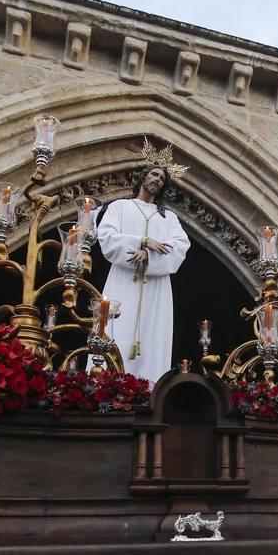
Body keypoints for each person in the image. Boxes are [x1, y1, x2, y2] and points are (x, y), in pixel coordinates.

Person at [94, 156, 191, 385]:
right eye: (154, 174)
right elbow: (106, 237)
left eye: (162, 178)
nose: (157, 179)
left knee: (152, 336)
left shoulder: (169, 219)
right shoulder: (119, 208)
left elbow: (180, 247)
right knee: (115, 330)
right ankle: (106, 384)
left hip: (156, 288)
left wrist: (149, 256)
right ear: (143, 177)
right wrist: (142, 241)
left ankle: (148, 391)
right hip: (122, 281)